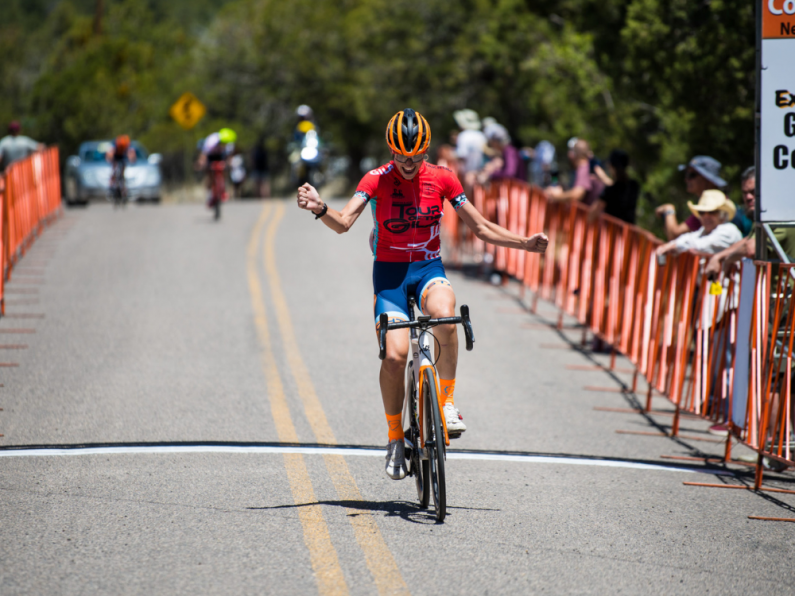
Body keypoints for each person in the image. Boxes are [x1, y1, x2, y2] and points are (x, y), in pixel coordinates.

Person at [295, 108, 548, 480]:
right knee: (395, 357)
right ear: (391, 152)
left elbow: (479, 227)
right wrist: (320, 209)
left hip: (429, 268)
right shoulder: (375, 179)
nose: (409, 163)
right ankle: (395, 436)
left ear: (426, 152)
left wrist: (524, 244)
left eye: (416, 157)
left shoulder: (444, 178)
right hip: (391, 275)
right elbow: (344, 223)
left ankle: (445, 402)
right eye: (401, 156)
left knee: (446, 316)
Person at [655, 156, 727, 240]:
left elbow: (674, 235)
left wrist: (669, 210)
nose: (686, 179)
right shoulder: (708, 203)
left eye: (691, 175)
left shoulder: (716, 205)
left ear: (707, 179)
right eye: (686, 175)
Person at [656, 190, 742, 258]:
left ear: (723, 215)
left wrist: (674, 246)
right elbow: (689, 237)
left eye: (712, 212)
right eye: (702, 212)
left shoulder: (729, 231)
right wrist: (671, 245)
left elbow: (700, 245)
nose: (706, 216)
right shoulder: (704, 231)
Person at [544, 139, 604, 205]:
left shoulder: (583, 168)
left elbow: (577, 194)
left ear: (573, 154)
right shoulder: (586, 167)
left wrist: (556, 196)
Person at [590, 149, 639, 224]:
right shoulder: (634, 186)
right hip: (628, 233)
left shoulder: (610, 191)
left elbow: (593, 212)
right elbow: (620, 185)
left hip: (612, 233)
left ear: (611, 166)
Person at [453, 109, 487, 177]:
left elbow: (462, 155)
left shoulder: (463, 135)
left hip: (467, 172)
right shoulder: (482, 135)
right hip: (481, 171)